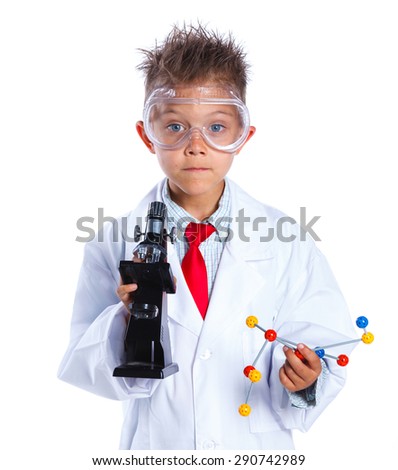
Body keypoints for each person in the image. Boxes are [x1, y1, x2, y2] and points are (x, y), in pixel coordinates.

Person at [58, 23, 357, 450]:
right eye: (175, 127)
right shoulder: (113, 241)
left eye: (217, 128)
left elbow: (326, 347)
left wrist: (307, 381)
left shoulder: (286, 239)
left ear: (243, 137)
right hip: (159, 449)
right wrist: (128, 319)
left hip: (254, 452)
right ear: (148, 136)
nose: (195, 146)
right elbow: (83, 362)